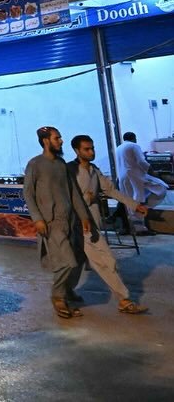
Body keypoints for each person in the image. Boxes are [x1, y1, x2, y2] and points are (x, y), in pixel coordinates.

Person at [66, 135, 149, 314]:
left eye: (92, 148)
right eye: (87, 149)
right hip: (80, 227)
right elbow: (65, 199)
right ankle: (124, 299)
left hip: (92, 225)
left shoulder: (94, 170)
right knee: (105, 261)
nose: (91, 152)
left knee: (77, 263)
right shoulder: (69, 171)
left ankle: (65, 293)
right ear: (77, 151)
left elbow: (111, 190)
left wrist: (134, 204)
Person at [23, 126, 96, 320]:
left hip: (70, 220)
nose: (61, 141)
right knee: (67, 262)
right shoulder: (35, 164)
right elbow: (28, 193)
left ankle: (68, 290)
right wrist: (37, 218)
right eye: (57, 138)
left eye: (60, 138)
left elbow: (73, 192)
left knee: (78, 259)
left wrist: (83, 216)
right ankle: (58, 296)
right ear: (46, 141)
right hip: (50, 222)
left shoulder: (62, 164)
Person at [116, 132, 167, 231]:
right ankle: (146, 209)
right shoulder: (134, 146)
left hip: (123, 178)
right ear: (134, 138)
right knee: (161, 188)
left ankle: (137, 227)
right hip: (135, 176)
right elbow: (141, 161)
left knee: (131, 201)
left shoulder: (119, 148)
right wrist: (152, 171)